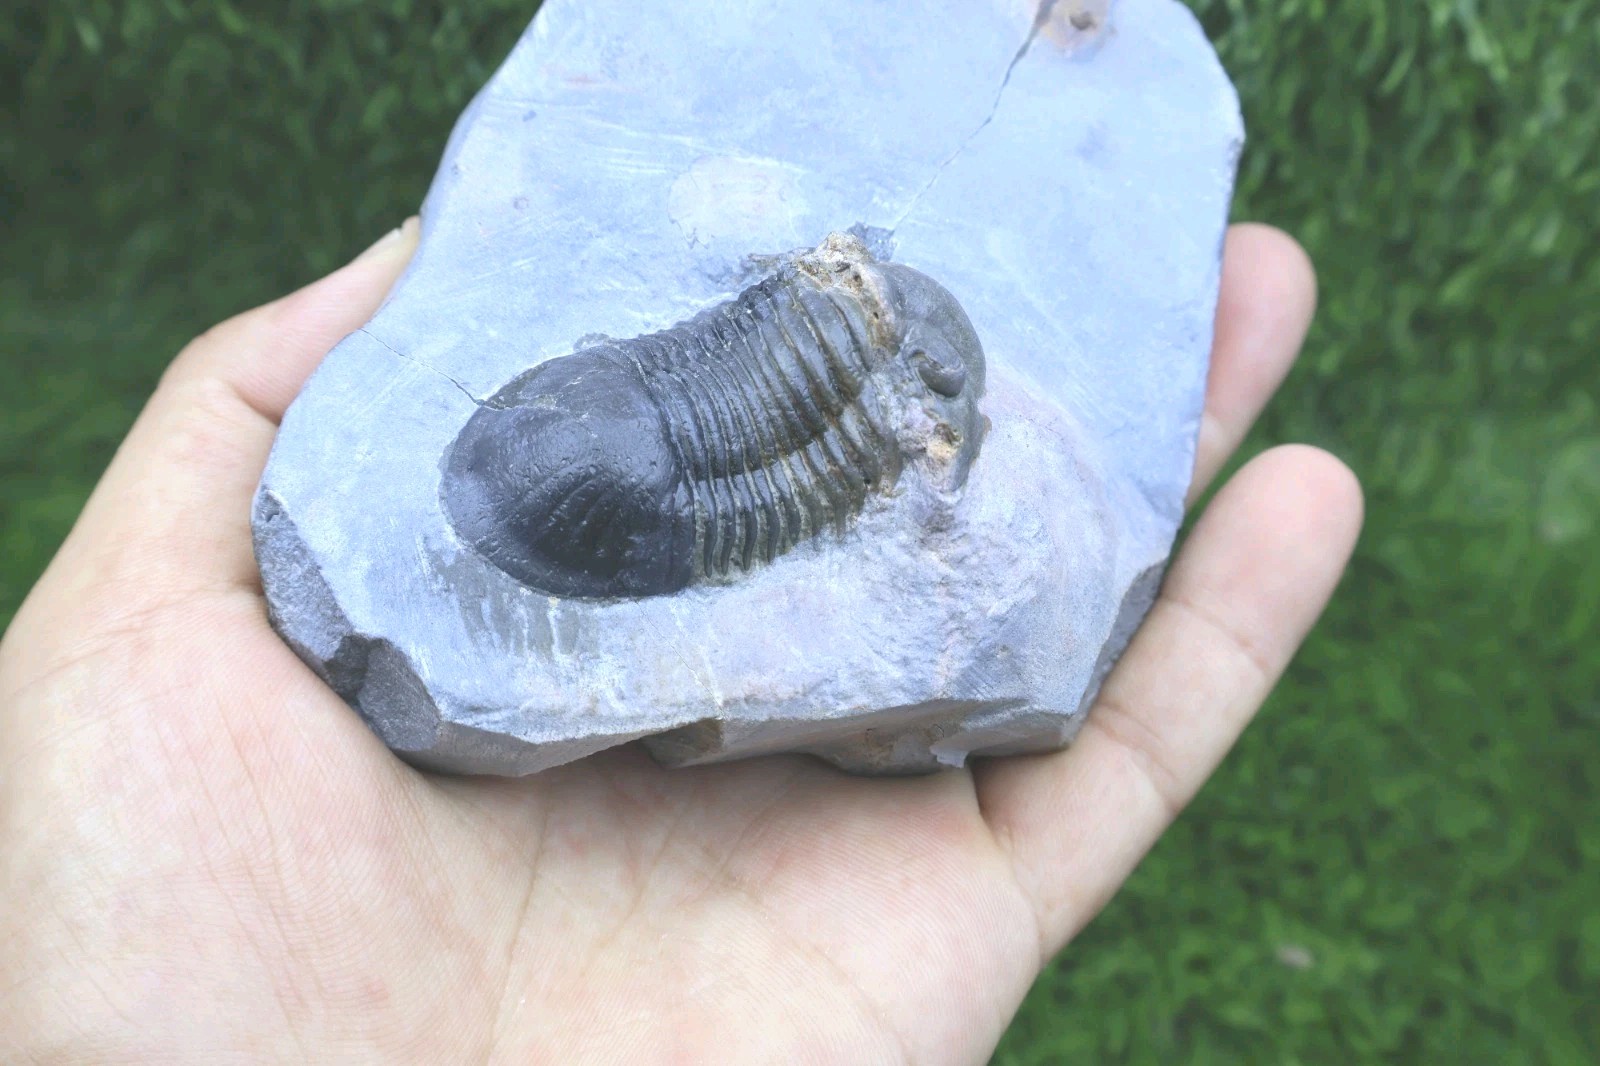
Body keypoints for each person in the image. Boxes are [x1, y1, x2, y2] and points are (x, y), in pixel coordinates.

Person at [0, 218, 1361, 1063]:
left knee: (767, 427)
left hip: (668, 425)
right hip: (639, 436)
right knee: (751, 423)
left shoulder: (855, 392)